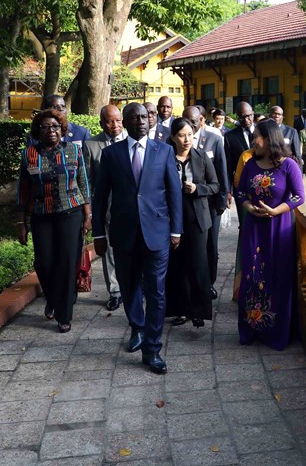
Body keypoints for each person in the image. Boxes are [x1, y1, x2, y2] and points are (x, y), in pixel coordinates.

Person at [92, 103, 182, 375]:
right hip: (123, 234)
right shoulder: (111, 154)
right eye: (134, 118)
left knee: (156, 292)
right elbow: (100, 197)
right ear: (126, 122)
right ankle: (137, 328)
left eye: (144, 116)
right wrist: (98, 232)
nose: (141, 121)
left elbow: (173, 192)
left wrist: (176, 230)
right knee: (130, 289)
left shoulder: (164, 151)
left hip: (157, 233)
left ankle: (152, 349)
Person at [16, 109, 91, 333]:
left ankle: (64, 314)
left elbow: (83, 183)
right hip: (41, 214)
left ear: (62, 130)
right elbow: (23, 190)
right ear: (38, 130)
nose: (52, 131)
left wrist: (88, 215)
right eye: (46, 127)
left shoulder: (73, 150)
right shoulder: (28, 154)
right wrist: (21, 223)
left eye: (56, 127)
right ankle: (52, 297)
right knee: (44, 262)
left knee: (68, 263)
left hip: (70, 213)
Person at [235, 119, 305, 350]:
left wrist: (276, 210)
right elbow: (241, 191)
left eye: (258, 136)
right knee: (253, 277)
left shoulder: (288, 165)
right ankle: (252, 328)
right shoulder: (251, 165)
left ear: (269, 139)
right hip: (255, 229)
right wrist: (248, 207)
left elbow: (298, 196)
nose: (254, 140)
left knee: (278, 277)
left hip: (280, 230)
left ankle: (276, 332)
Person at [166, 118, 219, 328]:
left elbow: (215, 185)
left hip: (197, 217)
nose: (186, 139)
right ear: (173, 137)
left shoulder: (201, 157)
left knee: (198, 265)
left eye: (189, 135)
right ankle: (181, 310)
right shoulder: (165, 157)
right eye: (181, 135)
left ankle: (199, 312)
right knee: (177, 265)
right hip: (173, 217)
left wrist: (199, 189)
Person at [83, 105, 127, 311]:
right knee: (109, 251)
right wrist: (90, 212)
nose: (115, 125)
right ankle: (115, 292)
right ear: (102, 123)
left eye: (118, 120)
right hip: (107, 207)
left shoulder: (132, 140)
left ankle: (134, 286)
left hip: (131, 207)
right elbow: (87, 182)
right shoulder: (92, 145)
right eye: (110, 121)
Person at [183, 105, 230, 300]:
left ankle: (209, 283)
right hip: (186, 205)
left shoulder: (214, 140)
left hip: (210, 203)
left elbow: (222, 171)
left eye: (194, 122)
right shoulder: (176, 140)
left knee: (211, 245)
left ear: (201, 121)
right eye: (187, 121)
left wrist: (222, 201)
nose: (191, 126)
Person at [225, 102, 255, 223]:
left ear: (253, 114)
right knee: (244, 224)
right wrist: (228, 190)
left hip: (263, 184)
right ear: (237, 117)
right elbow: (228, 166)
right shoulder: (229, 137)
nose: (247, 119)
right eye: (243, 117)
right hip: (241, 186)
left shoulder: (263, 131)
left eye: (249, 116)